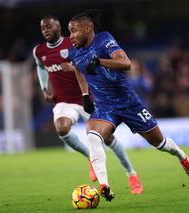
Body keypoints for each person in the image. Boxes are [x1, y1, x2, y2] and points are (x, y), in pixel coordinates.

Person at [67, 10, 189, 202]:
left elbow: (126, 63)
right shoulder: (74, 51)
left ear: (88, 28)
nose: (70, 36)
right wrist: (85, 95)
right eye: (69, 32)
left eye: (73, 31)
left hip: (129, 103)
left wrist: (100, 61)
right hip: (105, 107)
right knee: (92, 136)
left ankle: (181, 155)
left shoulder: (104, 40)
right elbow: (78, 69)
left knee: (160, 144)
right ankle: (104, 186)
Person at [32, 15, 143, 194]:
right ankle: (90, 157)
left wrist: (75, 68)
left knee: (109, 140)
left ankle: (131, 173)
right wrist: (44, 88)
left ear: (59, 28)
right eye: (42, 28)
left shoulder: (73, 42)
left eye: (49, 27)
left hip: (88, 99)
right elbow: (40, 66)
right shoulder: (39, 51)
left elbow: (86, 63)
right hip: (64, 101)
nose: (45, 30)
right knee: (62, 128)